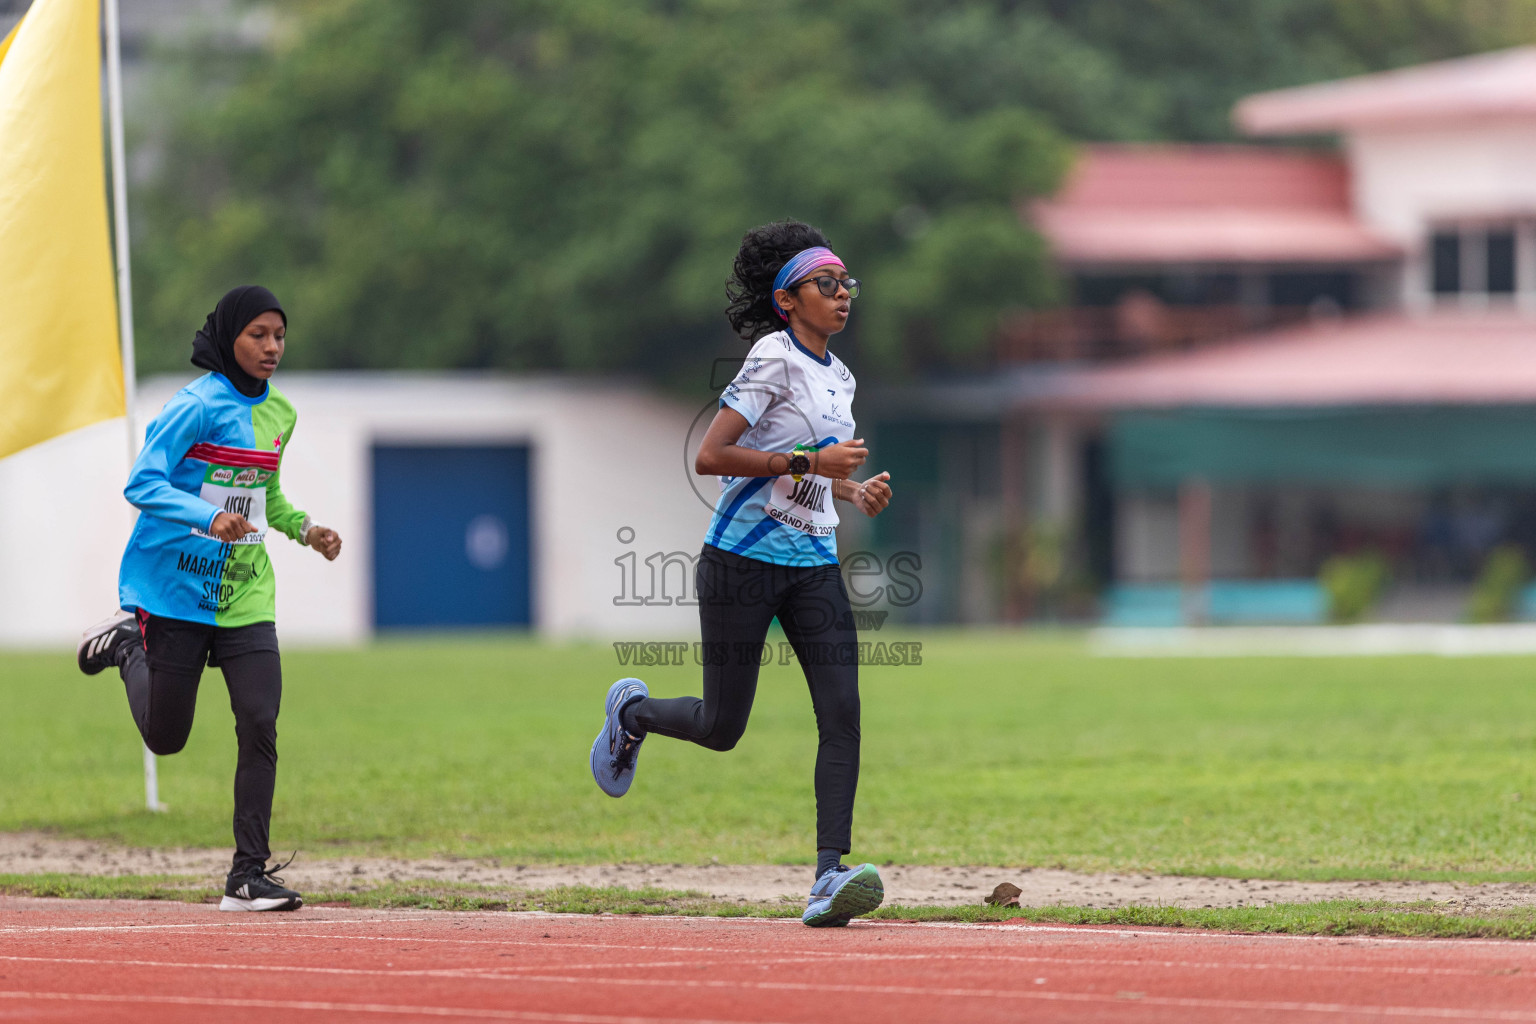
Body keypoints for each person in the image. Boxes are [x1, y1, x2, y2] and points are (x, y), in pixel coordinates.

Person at [589, 220, 894, 927]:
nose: (843, 294)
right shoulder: (773, 357)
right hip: (741, 563)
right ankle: (630, 714)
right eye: (827, 284)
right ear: (789, 300)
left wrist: (852, 490)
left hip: (814, 563)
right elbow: (711, 456)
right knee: (723, 726)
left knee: (842, 713)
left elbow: (810, 469)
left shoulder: (838, 375)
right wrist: (813, 465)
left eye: (848, 282)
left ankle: (828, 876)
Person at [76, 285, 341, 912]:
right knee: (167, 738)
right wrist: (206, 516)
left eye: (279, 335)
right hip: (175, 592)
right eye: (258, 335)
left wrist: (306, 529)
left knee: (259, 720)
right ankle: (124, 647)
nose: (272, 347)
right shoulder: (194, 407)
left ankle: (248, 875)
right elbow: (142, 482)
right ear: (229, 337)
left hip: (245, 592)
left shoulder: (281, 415)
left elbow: (265, 496)